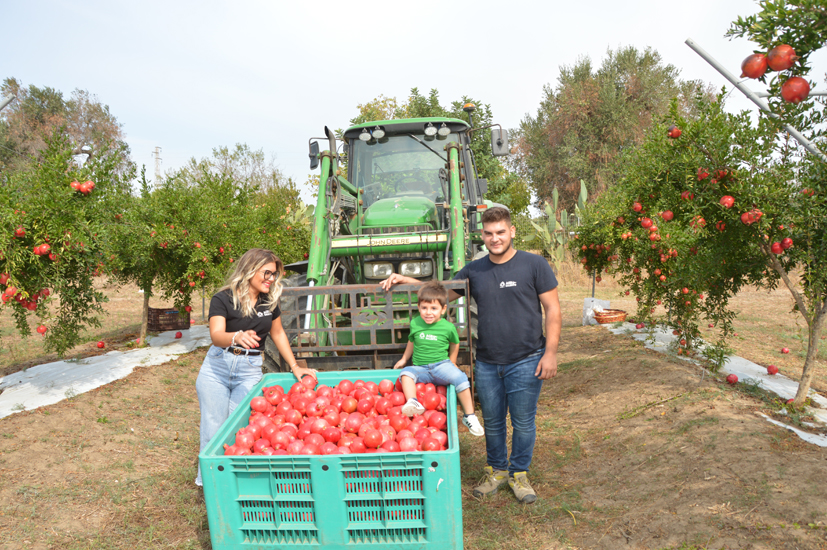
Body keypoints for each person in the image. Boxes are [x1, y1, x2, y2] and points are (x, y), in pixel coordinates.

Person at [381, 206, 561, 504]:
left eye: (501, 232)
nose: (495, 238)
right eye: (489, 234)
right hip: (487, 360)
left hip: (527, 357)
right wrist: (404, 280)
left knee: (523, 421)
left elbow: (553, 309)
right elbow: (440, 294)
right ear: (482, 236)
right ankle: (497, 471)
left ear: (512, 231)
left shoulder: (534, 264)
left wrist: (550, 353)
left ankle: (519, 474)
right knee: (491, 420)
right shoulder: (475, 270)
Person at [194, 248, 315, 487]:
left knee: (240, 428)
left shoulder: (268, 301)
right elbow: (216, 335)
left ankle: (236, 481)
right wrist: (236, 336)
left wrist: (295, 366)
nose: (271, 279)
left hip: (249, 369)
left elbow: (278, 333)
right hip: (218, 367)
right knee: (213, 426)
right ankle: (208, 483)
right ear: (250, 270)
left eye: (274, 275)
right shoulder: (223, 299)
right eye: (267, 273)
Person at [393, 281, 484, 436]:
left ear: (443, 310)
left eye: (434, 308)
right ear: (419, 307)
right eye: (424, 308)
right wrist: (403, 359)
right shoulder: (415, 323)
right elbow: (411, 342)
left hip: (441, 366)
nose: (428, 312)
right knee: (406, 374)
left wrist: (452, 362)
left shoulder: (448, 327)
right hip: (420, 367)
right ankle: (413, 401)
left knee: (461, 378)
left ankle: (470, 416)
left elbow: (455, 343)